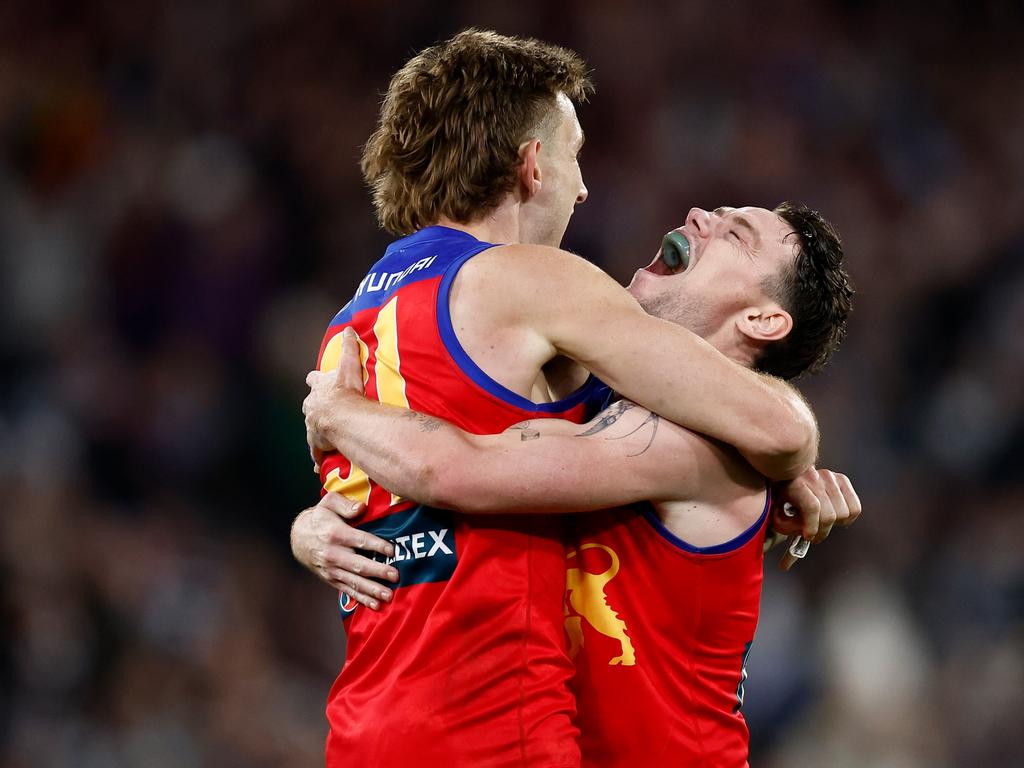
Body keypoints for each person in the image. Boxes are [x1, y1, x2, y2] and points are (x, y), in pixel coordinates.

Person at [301, 28, 821, 768]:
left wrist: (318, 480)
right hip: (494, 731)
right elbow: (769, 422)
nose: (583, 190)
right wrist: (791, 454)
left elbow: (394, 484)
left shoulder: (348, 327)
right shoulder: (536, 281)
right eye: (575, 158)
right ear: (533, 165)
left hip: (363, 729)